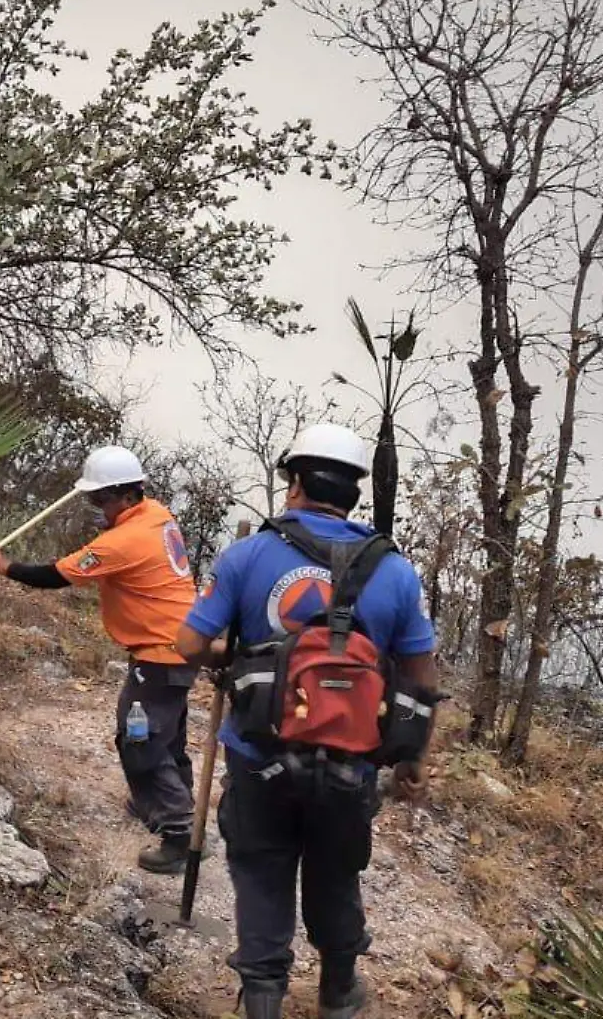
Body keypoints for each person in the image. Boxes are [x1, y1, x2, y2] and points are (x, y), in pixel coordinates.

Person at [172, 424, 439, 1019]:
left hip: (258, 753)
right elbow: (421, 679)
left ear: (295, 484)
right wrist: (413, 760)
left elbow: (189, 644)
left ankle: (262, 998)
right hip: (352, 760)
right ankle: (338, 990)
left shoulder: (248, 554)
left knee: (262, 867)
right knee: (336, 869)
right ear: (352, 495)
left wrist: (236, 657)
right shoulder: (395, 571)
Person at [0, 446, 199, 874]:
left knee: (140, 740)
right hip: (183, 644)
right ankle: (166, 804)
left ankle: (178, 833)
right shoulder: (156, 514)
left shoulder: (123, 541)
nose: (96, 508)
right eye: (91, 499)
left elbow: (56, 576)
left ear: (126, 496)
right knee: (166, 735)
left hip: (160, 653)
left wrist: (3, 566)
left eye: (100, 500)